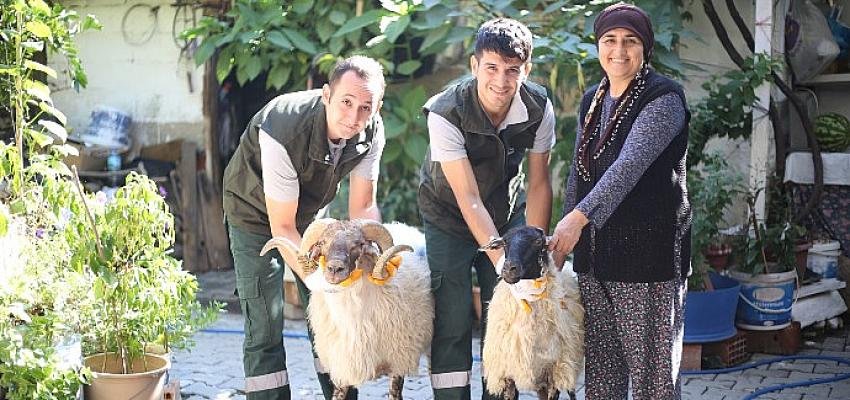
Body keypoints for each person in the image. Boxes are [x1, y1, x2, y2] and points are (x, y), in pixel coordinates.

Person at [547, 3, 691, 399]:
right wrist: (562, 243)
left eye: (630, 41)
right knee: (603, 377)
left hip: (648, 258)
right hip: (597, 258)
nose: (619, 50)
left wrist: (577, 220)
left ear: (645, 48)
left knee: (652, 380)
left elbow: (627, 168)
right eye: (610, 40)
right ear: (598, 46)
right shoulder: (593, 99)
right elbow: (579, 173)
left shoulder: (663, 98)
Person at [222, 55, 386, 400]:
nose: (354, 116)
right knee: (265, 324)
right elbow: (281, 226)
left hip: (309, 215)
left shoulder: (371, 130)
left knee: (334, 316)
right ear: (326, 94)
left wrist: (374, 260)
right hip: (252, 215)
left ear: (377, 106)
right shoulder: (283, 126)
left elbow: (363, 207)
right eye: (346, 102)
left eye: (365, 107)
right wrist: (319, 281)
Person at [418, 18, 556, 400]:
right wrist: (501, 261)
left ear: (525, 70)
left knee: (506, 315)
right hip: (447, 214)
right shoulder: (445, 112)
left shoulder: (539, 106)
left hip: (505, 211)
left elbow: (540, 182)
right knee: (453, 317)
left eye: (513, 70)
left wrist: (532, 254)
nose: (501, 80)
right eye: (491, 68)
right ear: (474, 65)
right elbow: (468, 199)